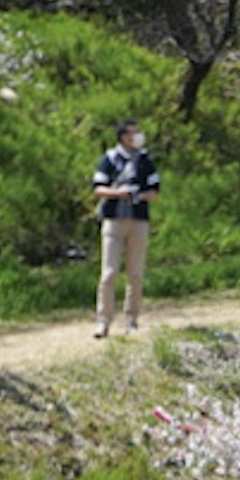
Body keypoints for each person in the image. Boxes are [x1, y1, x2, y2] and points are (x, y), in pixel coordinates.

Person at [92, 118, 160, 338]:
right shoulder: (110, 159)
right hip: (113, 220)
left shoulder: (145, 160)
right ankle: (103, 321)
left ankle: (132, 319)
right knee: (109, 273)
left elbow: (155, 191)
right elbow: (98, 189)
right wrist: (119, 193)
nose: (138, 136)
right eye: (133, 132)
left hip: (138, 221)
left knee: (135, 273)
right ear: (123, 137)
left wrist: (138, 196)